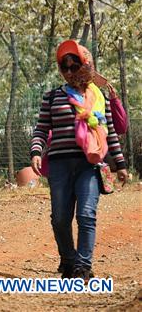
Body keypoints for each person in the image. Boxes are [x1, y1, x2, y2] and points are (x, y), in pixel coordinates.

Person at [30, 39, 128, 280]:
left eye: (76, 66)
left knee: (86, 215)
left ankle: (83, 267)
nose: (70, 72)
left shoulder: (99, 98)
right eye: (66, 67)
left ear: (88, 66)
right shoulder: (52, 97)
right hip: (60, 165)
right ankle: (68, 259)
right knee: (60, 218)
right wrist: (35, 151)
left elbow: (111, 132)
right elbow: (41, 129)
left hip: (90, 164)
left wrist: (121, 164)